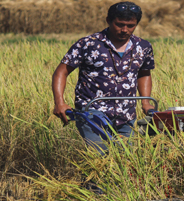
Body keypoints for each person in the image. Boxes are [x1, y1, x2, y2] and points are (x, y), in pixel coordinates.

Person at [52, 2, 155, 156]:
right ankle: (92, 181)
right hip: (92, 112)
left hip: (126, 114)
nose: (124, 30)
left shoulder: (143, 47)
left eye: (130, 25)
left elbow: (144, 73)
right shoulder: (88, 44)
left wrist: (145, 103)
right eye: (119, 24)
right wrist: (59, 102)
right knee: (99, 156)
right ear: (108, 20)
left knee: (127, 159)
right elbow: (61, 72)